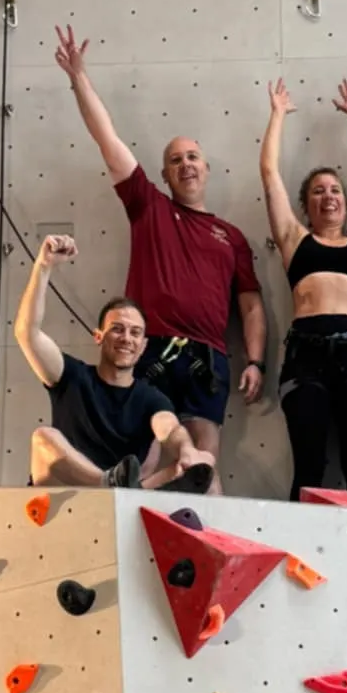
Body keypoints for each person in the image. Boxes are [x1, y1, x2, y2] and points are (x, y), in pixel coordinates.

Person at [55, 28, 266, 461]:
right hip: (150, 349)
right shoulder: (147, 206)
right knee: (142, 460)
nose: (185, 164)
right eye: (175, 160)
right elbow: (107, 139)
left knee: (202, 464)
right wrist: (79, 78)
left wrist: (256, 361)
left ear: (206, 168)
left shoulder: (232, 236)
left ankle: (203, 530)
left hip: (207, 359)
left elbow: (251, 306)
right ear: (165, 176)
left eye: (192, 157)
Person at [260, 76, 347, 500]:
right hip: (306, 355)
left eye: (334, 190)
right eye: (318, 191)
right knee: (308, 469)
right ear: (305, 204)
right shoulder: (294, 240)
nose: (328, 196)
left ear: (345, 203)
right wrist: (277, 115)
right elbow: (269, 173)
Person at [14, 235, 216, 492]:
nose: (126, 339)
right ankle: (107, 484)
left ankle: (130, 495)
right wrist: (43, 266)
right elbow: (26, 333)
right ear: (99, 337)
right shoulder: (72, 377)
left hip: (124, 494)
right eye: (117, 329)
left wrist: (187, 451)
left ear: (143, 346)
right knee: (44, 438)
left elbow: (169, 428)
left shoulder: (151, 399)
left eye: (135, 333)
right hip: (63, 495)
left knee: (199, 466)